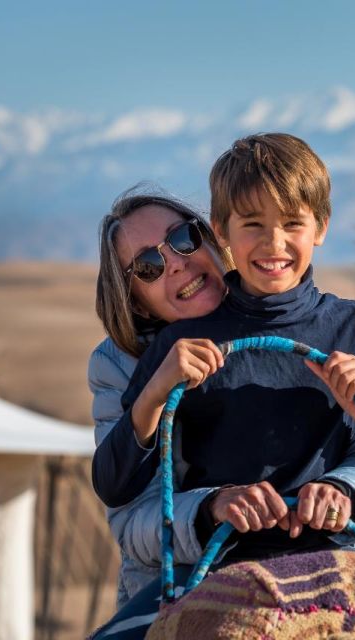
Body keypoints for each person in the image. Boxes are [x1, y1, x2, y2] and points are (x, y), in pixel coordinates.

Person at [91, 133, 355, 635]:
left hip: (339, 554)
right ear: (223, 229)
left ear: (321, 227)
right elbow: (118, 487)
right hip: (215, 566)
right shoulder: (178, 347)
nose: (274, 244)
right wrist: (158, 391)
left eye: (293, 223)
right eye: (253, 225)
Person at [89, 184, 233, 608]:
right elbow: (132, 519)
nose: (175, 263)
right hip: (171, 590)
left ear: (211, 237)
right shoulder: (118, 365)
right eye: (148, 266)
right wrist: (212, 512)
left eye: (182, 238)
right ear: (140, 304)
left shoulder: (295, 319)